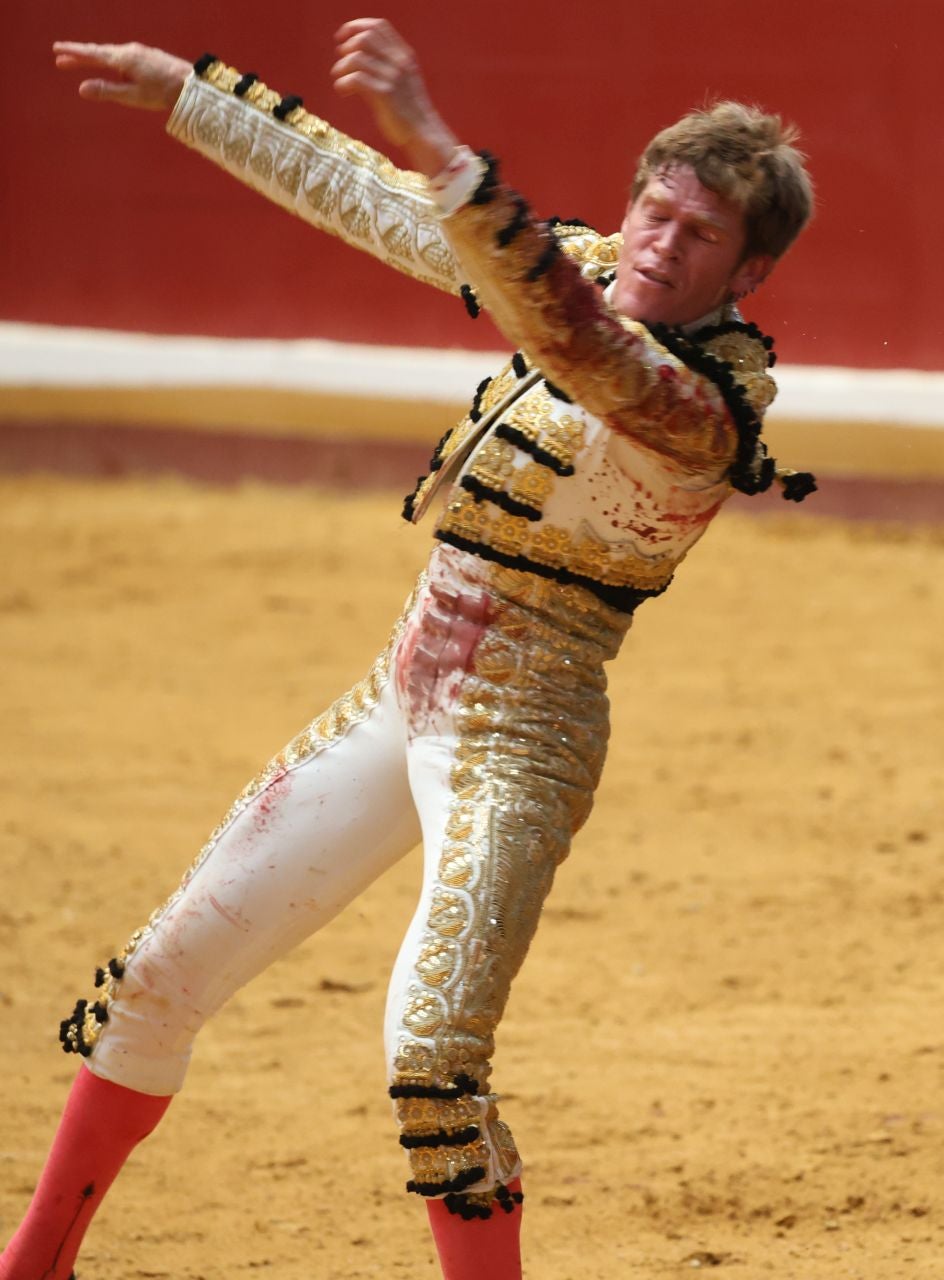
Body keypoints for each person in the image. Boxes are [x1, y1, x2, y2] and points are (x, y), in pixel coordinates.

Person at [5, 19, 813, 1280]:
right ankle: (33, 1264)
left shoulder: (717, 406)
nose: (659, 243)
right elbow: (381, 204)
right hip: (406, 691)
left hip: (524, 732)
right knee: (157, 977)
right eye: (654, 211)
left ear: (748, 271)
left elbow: (581, 348)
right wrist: (187, 98)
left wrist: (443, 144)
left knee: (433, 1056)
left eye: (698, 234)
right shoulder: (578, 266)